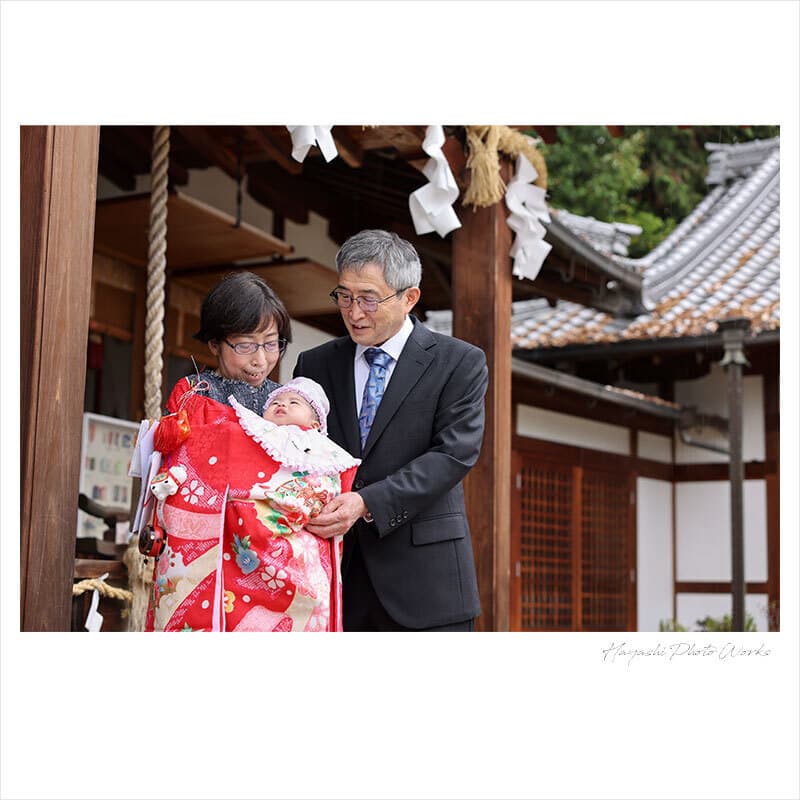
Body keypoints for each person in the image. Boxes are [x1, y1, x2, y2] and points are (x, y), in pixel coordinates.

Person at [293, 229, 488, 631]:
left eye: (367, 298)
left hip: (427, 583)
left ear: (409, 298)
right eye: (344, 296)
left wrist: (366, 503)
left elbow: (453, 455)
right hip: (335, 578)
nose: (353, 311)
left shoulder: (459, 362)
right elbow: (297, 451)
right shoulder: (314, 365)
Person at [141, 376, 360, 632]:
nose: (282, 405)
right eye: (276, 401)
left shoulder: (326, 454)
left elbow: (323, 490)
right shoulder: (247, 434)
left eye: (294, 402)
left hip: (295, 546)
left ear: (315, 422)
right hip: (241, 538)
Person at [166, 270, 292, 415]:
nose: (260, 360)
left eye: (271, 344)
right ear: (215, 344)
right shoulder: (194, 391)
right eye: (245, 345)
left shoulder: (286, 399)